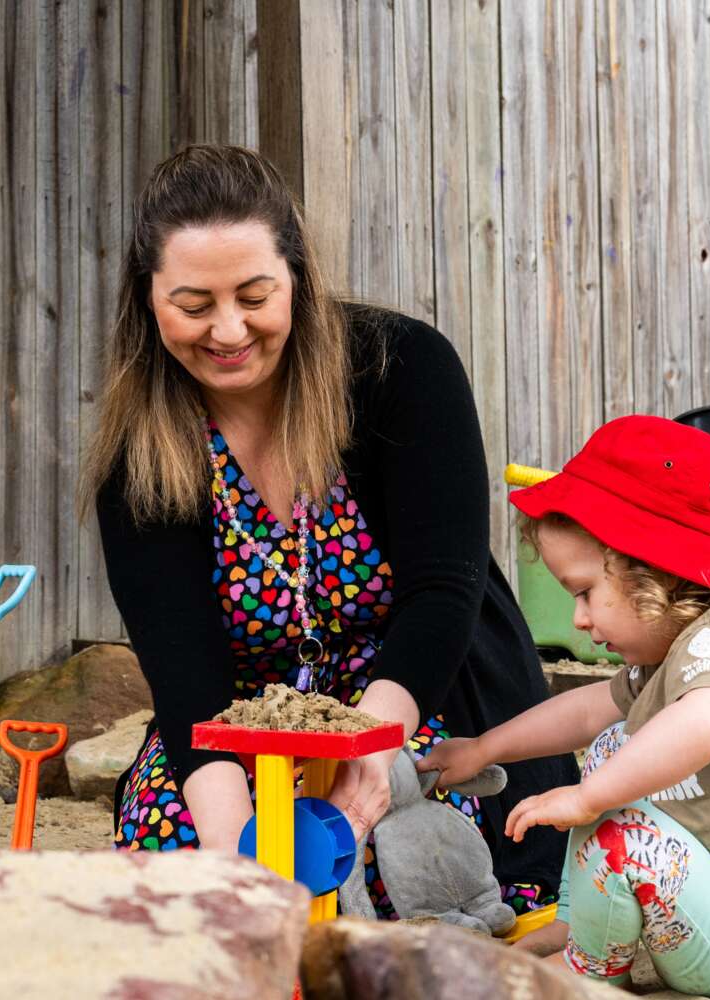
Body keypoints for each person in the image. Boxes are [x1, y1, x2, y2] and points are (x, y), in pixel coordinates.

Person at [84, 144, 575, 919]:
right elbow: (183, 670)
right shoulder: (138, 457)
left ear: (298, 280)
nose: (227, 329)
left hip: (419, 695)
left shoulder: (402, 368)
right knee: (187, 885)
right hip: (238, 725)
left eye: (254, 295)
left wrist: (367, 753)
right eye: (193, 304)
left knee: (407, 868)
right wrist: (232, 848)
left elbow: (444, 593)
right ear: (147, 302)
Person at [420, 415, 710, 996]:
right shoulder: (675, 651)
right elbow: (588, 709)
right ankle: (580, 928)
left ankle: (588, 976)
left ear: (654, 569)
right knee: (612, 743)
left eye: (586, 592)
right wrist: (483, 747)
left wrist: (589, 796)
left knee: (617, 817)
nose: (579, 618)